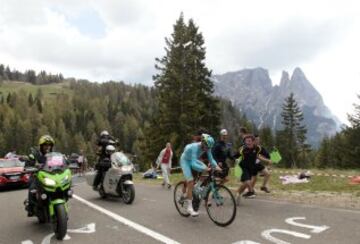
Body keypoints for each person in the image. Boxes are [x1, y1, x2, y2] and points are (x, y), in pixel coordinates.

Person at [180, 134, 221, 217]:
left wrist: (217, 167)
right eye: (206, 146)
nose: (207, 149)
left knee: (206, 169)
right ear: (202, 142)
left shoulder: (207, 147)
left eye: (209, 147)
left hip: (193, 160)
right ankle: (189, 208)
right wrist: (204, 169)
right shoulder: (194, 147)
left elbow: (211, 159)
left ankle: (196, 187)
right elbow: (193, 163)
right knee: (190, 181)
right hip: (185, 161)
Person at [234, 134, 272, 204]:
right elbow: (234, 156)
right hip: (243, 167)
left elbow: (267, 154)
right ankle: (250, 192)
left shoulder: (258, 148)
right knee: (247, 182)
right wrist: (236, 160)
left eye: (249, 141)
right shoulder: (242, 149)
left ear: (253, 142)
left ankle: (238, 193)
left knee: (245, 184)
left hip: (251, 168)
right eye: (246, 141)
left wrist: (268, 159)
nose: (248, 143)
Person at [25, 135, 55, 216]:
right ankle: (30, 207)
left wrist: (66, 162)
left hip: (51, 175)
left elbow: (62, 162)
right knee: (32, 188)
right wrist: (31, 165)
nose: (47, 147)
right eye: (45, 145)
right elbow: (27, 165)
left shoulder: (54, 155)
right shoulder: (34, 154)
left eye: (49, 145)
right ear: (41, 146)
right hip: (37, 175)